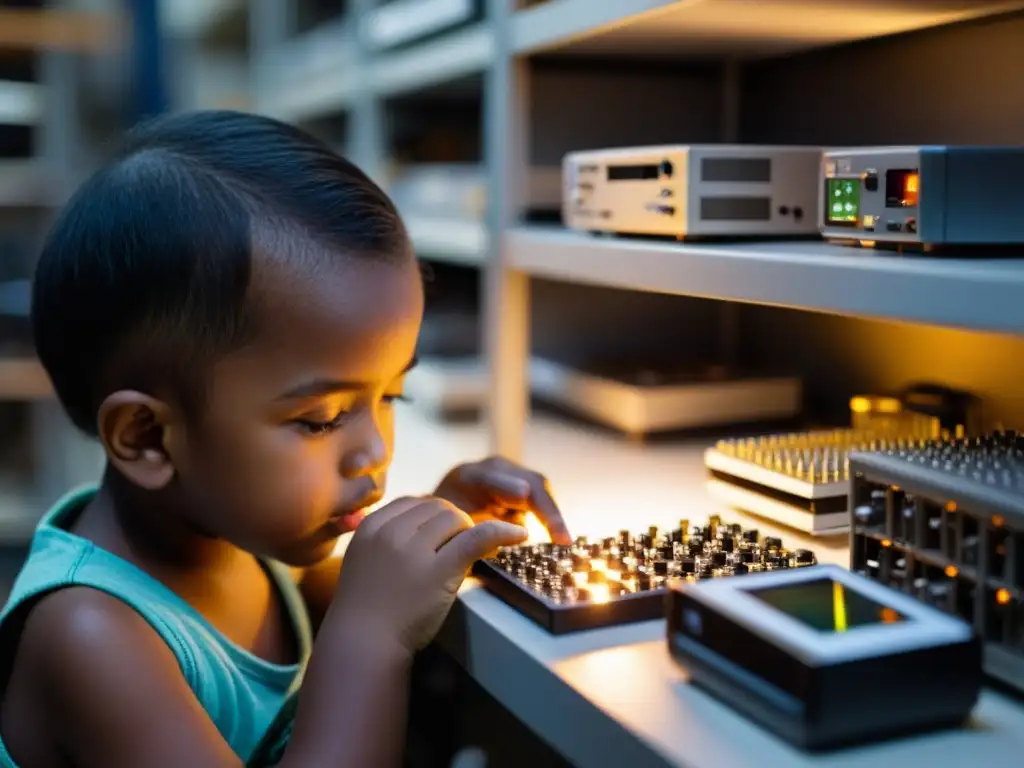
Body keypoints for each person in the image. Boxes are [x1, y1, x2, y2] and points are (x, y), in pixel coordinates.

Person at [0, 110, 571, 768]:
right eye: (322, 418)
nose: (376, 451)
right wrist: (368, 637)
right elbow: (346, 639)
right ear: (149, 438)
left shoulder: (226, 527)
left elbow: (304, 610)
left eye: (389, 397)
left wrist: (434, 530)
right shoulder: (92, 639)